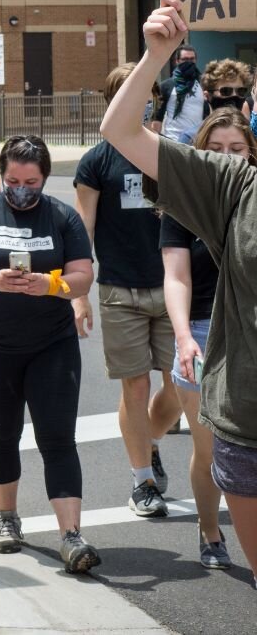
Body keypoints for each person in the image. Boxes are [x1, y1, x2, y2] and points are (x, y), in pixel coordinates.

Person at [100, 0, 257, 589]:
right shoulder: (233, 186)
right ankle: (208, 528)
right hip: (243, 410)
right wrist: (156, 56)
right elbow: (119, 131)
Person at [0, 135, 99, 573]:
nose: (21, 188)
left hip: (51, 345)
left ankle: (71, 536)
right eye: (12, 179)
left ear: (44, 179)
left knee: (57, 438)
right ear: (1, 176)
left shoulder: (62, 217)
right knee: (2, 433)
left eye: (31, 181)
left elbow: (83, 276)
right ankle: (7, 518)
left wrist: (51, 285)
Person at [74, 64, 179, 518]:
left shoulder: (171, 154)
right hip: (120, 291)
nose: (142, 101)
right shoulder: (96, 162)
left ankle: (149, 442)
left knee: (181, 387)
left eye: (148, 94)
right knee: (135, 387)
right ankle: (142, 481)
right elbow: (83, 229)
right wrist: (79, 293)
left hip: (175, 290)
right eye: (127, 94)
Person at [160, 108, 247, 570]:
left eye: (237, 150)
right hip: (200, 335)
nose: (227, 159)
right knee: (210, 449)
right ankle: (210, 530)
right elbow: (177, 277)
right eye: (215, 151)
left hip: (248, 335)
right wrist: (181, 337)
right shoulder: (183, 204)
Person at [157, 44, 204, 144]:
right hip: (172, 141)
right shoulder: (167, 86)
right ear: (177, 61)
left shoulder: (203, 84)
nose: (189, 62)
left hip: (197, 141)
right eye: (185, 59)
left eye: (192, 59)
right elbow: (157, 118)